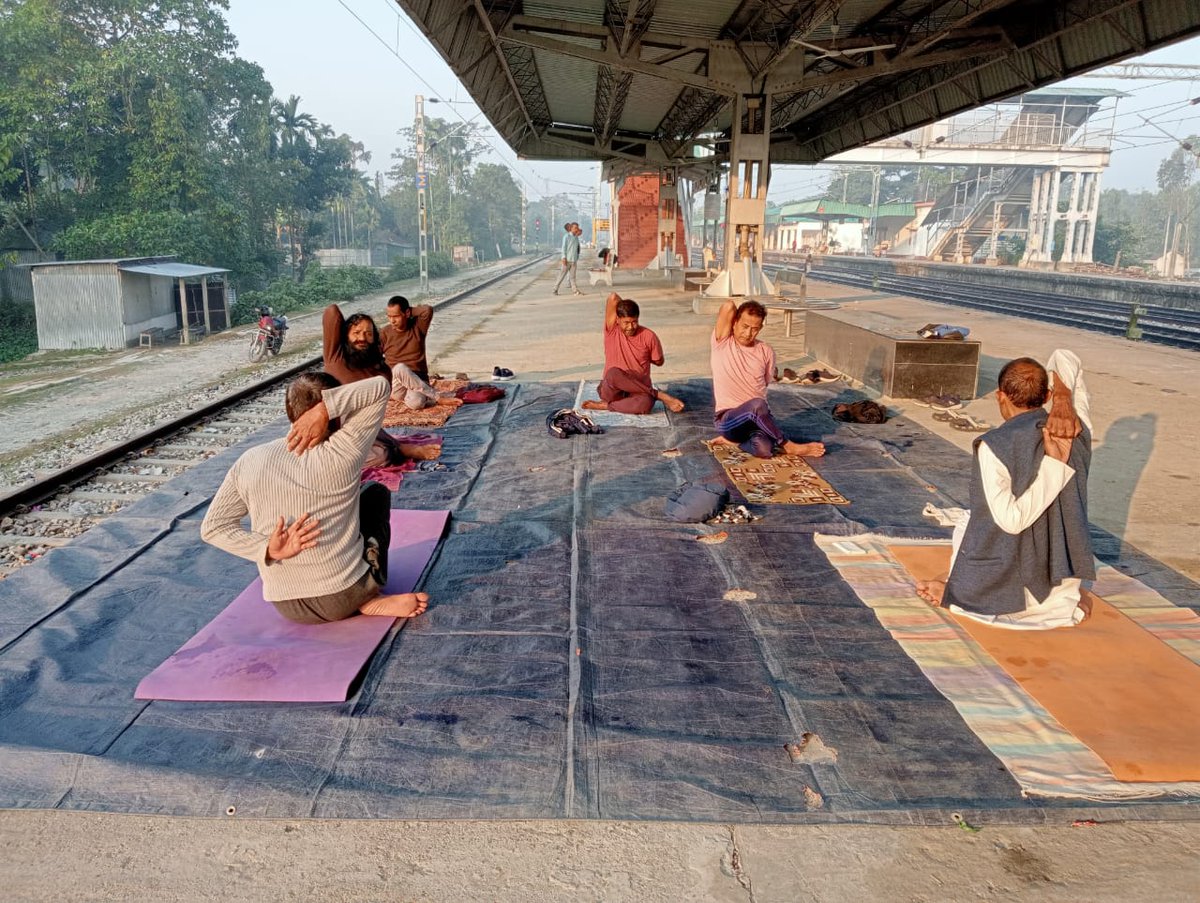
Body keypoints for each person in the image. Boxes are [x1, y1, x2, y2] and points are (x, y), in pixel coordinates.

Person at [201, 373, 429, 624]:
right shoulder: (344, 451)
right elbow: (380, 387)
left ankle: (360, 594)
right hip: (346, 594)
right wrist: (324, 410)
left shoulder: (249, 460)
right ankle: (369, 597)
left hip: (287, 606)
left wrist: (266, 548)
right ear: (337, 412)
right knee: (374, 493)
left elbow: (213, 528)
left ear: (290, 412)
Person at [916, 350, 1094, 630]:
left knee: (970, 520)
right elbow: (1066, 357)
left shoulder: (993, 445)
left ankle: (954, 582)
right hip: (1062, 582)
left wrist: (1054, 466)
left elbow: (1013, 522)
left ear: (1000, 396)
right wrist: (1063, 398)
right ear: (1047, 397)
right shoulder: (1075, 427)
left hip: (1011, 593)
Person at [321, 303, 440, 465]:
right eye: (356, 333)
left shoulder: (380, 369)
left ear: (374, 338)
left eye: (368, 333)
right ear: (345, 336)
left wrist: (405, 312)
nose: (362, 338)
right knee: (382, 456)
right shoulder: (335, 356)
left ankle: (398, 447)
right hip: (331, 430)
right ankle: (399, 449)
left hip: (362, 428)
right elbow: (331, 312)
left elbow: (372, 420)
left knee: (378, 445)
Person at [710, 299, 825, 459]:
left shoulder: (766, 351)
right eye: (745, 326)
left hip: (757, 419)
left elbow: (763, 383)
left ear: (761, 328)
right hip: (729, 419)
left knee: (765, 450)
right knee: (757, 404)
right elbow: (728, 306)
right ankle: (789, 446)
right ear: (734, 322)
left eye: (754, 329)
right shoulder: (722, 342)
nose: (748, 333)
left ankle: (734, 443)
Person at [581, 292, 685, 415]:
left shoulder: (649, 336)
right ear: (617, 320)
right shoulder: (612, 330)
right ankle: (659, 395)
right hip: (612, 390)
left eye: (634, 322)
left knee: (645, 405)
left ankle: (607, 406)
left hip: (638, 391)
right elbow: (613, 297)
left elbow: (659, 362)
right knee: (614, 373)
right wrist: (624, 306)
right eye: (626, 322)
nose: (630, 327)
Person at [380, 295, 449, 412]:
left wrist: (409, 310)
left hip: (418, 378)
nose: (392, 320)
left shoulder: (418, 327)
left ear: (407, 313)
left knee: (416, 404)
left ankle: (423, 395)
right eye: (389, 316)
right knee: (400, 368)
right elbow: (374, 358)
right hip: (397, 382)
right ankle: (435, 397)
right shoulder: (385, 332)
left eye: (396, 316)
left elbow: (427, 310)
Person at [553, 221, 582, 295]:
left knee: (573, 277)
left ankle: (575, 290)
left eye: (577, 228)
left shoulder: (576, 237)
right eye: (575, 228)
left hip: (574, 260)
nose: (576, 229)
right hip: (567, 260)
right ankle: (555, 289)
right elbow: (563, 248)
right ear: (571, 228)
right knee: (561, 275)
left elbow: (577, 248)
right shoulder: (566, 237)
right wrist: (563, 258)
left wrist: (576, 258)